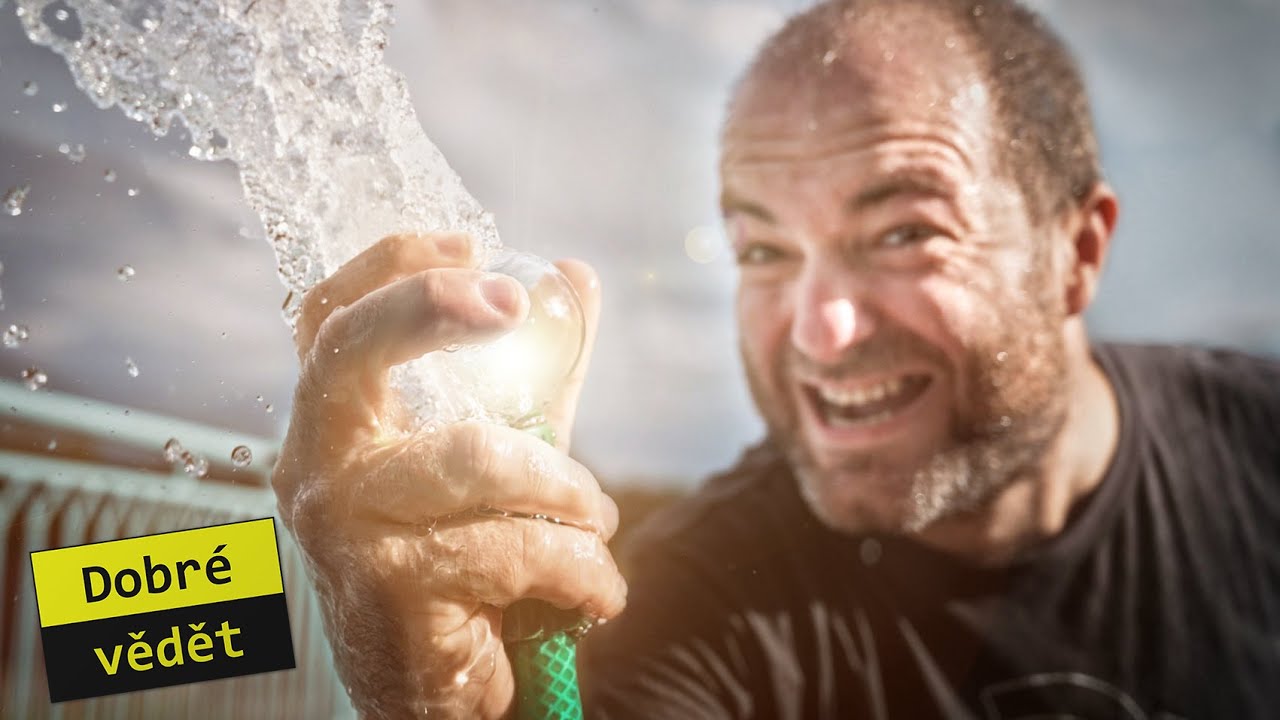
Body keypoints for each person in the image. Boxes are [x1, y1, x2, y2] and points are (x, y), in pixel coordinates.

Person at [270, 0, 1280, 717]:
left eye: (903, 234)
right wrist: (443, 703)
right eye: (763, 250)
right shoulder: (696, 600)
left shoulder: (1259, 442)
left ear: (1077, 252)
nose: (818, 332)